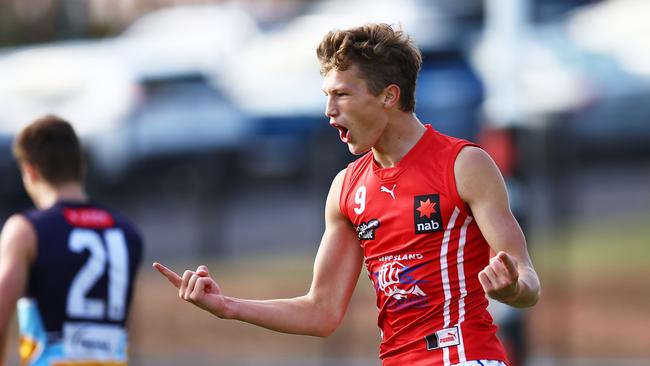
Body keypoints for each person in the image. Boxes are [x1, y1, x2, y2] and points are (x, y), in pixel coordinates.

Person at [154, 23, 540, 366]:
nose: (328, 109)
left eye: (342, 95)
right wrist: (227, 306)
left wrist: (511, 289)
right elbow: (321, 312)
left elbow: (527, 282)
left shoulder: (463, 164)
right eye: (327, 94)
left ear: (389, 96)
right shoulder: (346, 188)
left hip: (462, 356)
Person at [0, 115, 143, 366]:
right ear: (81, 167)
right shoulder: (126, 231)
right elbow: (124, 327)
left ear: (30, 171)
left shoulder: (26, 230)